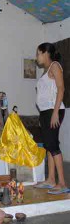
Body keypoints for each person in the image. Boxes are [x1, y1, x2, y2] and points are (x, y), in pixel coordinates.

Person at [34, 42, 69, 194]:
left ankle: (62, 183)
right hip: (45, 112)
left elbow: (61, 89)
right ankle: (51, 179)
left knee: (53, 145)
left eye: (38, 54)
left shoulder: (55, 66)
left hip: (53, 111)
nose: (37, 57)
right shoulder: (46, 70)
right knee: (49, 145)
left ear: (45, 53)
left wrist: (55, 113)